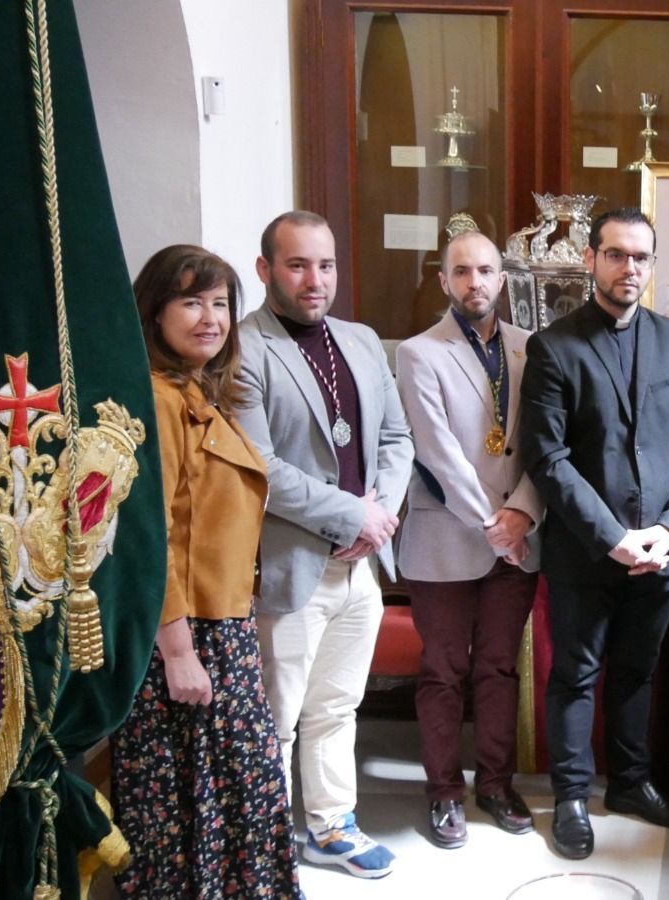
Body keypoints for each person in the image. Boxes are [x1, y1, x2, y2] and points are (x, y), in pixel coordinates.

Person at [519, 207, 669, 860]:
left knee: (637, 672)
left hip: (663, 552)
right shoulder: (553, 347)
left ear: (651, 264)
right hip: (585, 552)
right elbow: (547, 458)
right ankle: (572, 797)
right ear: (591, 259)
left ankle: (630, 784)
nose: (628, 267)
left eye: (640, 257)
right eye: (615, 255)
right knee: (576, 675)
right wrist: (612, 537)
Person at [111, 245, 299, 897]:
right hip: (187, 635)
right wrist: (178, 651)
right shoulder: (158, 399)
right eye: (191, 302)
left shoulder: (198, 392)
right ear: (155, 312)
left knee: (237, 795)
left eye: (220, 303)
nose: (211, 318)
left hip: (224, 626)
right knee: (200, 803)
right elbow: (148, 536)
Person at [237, 211, 414, 879]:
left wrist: (378, 515)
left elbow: (397, 438)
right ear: (266, 269)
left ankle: (330, 827)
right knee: (277, 715)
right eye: (298, 265)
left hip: (361, 564)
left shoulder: (361, 340)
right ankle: (263, 850)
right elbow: (261, 467)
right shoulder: (244, 348)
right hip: (290, 564)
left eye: (326, 264)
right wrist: (352, 517)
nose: (315, 280)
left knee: (338, 705)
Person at [395, 229, 543, 848]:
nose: (474, 282)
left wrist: (523, 512)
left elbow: (547, 444)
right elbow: (437, 453)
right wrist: (494, 525)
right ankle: (444, 793)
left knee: (499, 669)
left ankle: (496, 785)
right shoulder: (419, 353)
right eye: (461, 271)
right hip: (447, 538)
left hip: (519, 536)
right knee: (443, 672)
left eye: (485, 270)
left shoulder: (532, 348)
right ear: (444, 281)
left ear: (502, 280)